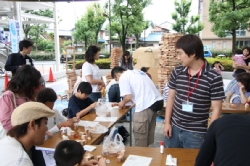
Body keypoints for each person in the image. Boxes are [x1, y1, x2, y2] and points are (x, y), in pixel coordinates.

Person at [164, 34, 225, 149]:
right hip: (174, 129)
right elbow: (171, 98)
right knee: (169, 160)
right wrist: (167, 123)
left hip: (196, 134)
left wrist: (210, 137)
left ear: (193, 54)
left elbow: (217, 109)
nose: (178, 58)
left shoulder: (213, 77)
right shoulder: (177, 72)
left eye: (180, 53)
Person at [111, 66, 163, 147]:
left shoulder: (123, 77)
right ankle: (146, 155)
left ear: (117, 75)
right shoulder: (136, 72)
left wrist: (122, 103)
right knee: (147, 136)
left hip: (145, 107)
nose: (118, 81)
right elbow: (138, 91)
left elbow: (128, 97)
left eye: (117, 80)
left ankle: (141, 156)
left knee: (140, 138)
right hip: (155, 103)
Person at [0, 65, 41, 139]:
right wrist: (26, 131)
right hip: (15, 138)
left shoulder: (28, 95)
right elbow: (7, 123)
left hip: (29, 138)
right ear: (28, 82)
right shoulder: (8, 96)